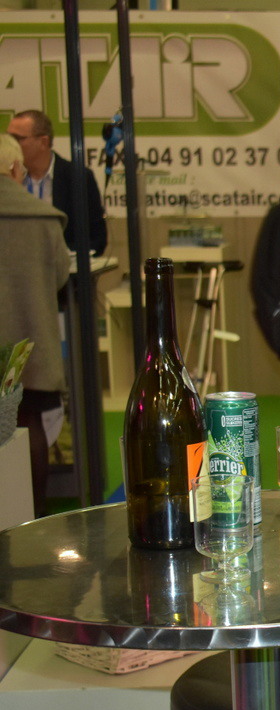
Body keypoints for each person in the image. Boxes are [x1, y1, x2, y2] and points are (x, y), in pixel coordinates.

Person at [0, 132, 71, 516]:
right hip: (28, 345)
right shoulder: (44, 217)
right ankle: (33, 517)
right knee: (29, 426)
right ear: (14, 168)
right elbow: (60, 276)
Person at [6, 109, 108, 256]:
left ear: (43, 142)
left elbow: (97, 240)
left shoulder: (78, 177)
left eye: (16, 139)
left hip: (64, 267)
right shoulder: (7, 180)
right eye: (8, 139)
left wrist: (59, 255)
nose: (10, 146)